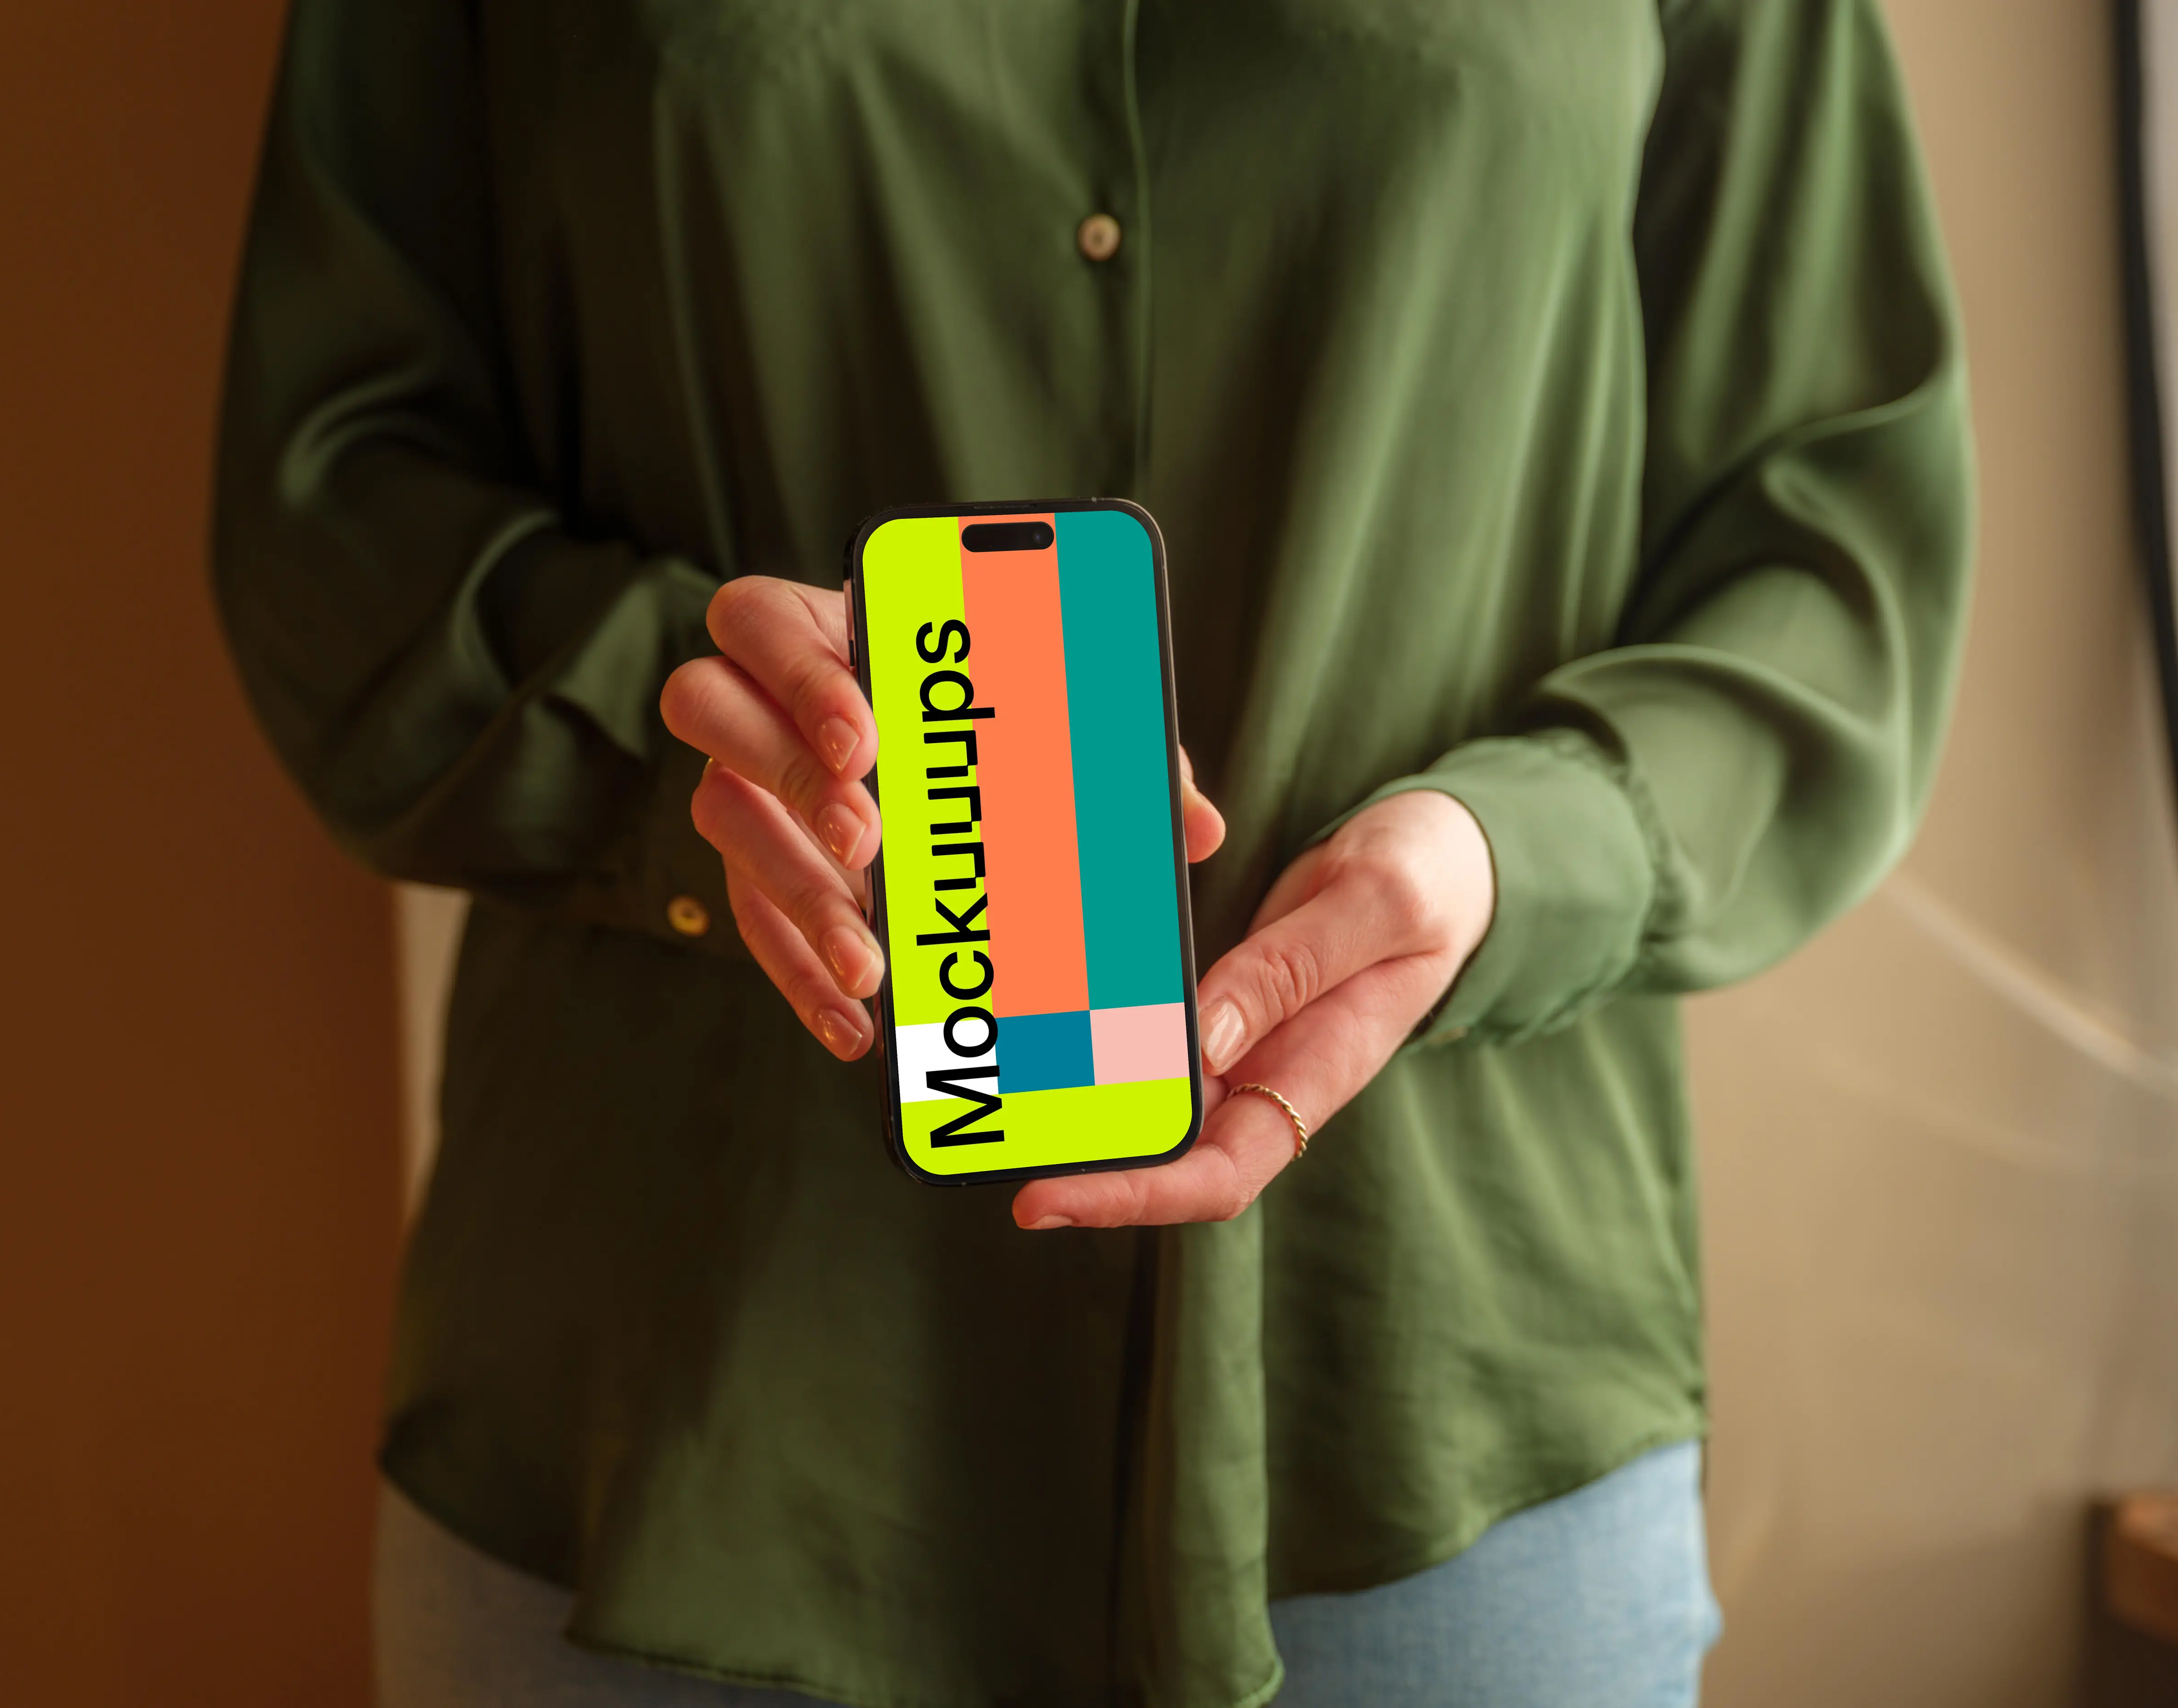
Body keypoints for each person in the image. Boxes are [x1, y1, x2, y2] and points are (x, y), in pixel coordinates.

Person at [211, 1, 1972, 1703]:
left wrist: (1518, 856)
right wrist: (698, 728)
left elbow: (1831, 541)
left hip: (1438, 1426)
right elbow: (337, 492)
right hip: (681, 1426)